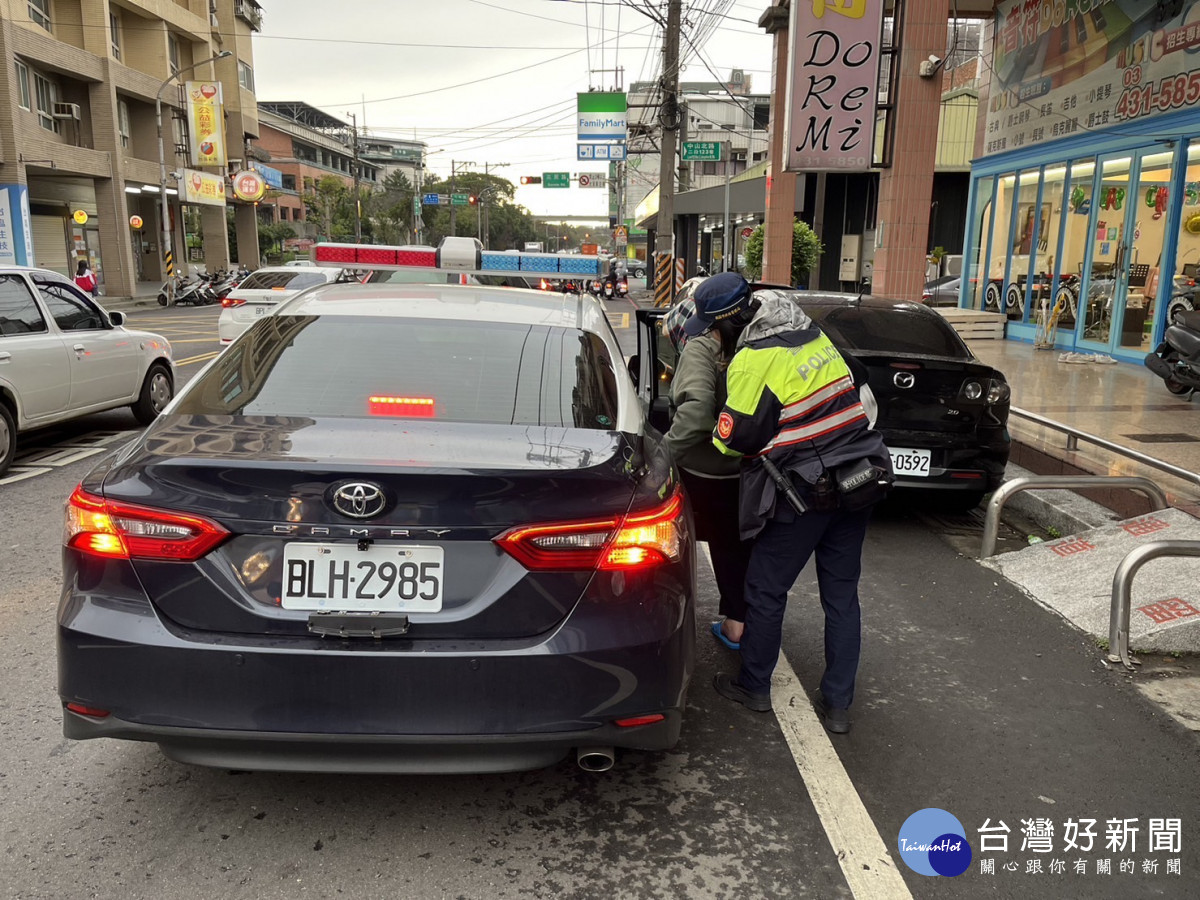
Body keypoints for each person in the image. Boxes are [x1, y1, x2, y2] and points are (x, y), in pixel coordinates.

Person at [695, 277, 891, 734]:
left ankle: (755, 686)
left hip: (804, 493)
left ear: (729, 322)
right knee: (841, 597)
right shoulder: (810, 333)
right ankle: (839, 705)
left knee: (765, 590)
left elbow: (732, 441)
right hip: (858, 480)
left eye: (712, 328)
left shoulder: (751, 360)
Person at [661, 283, 753, 650]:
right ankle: (738, 624)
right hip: (744, 470)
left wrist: (663, 454)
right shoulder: (759, 344)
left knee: (671, 547)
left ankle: (660, 617)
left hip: (698, 474)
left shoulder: (702, 346)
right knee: (733, 548)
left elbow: (696, 414)